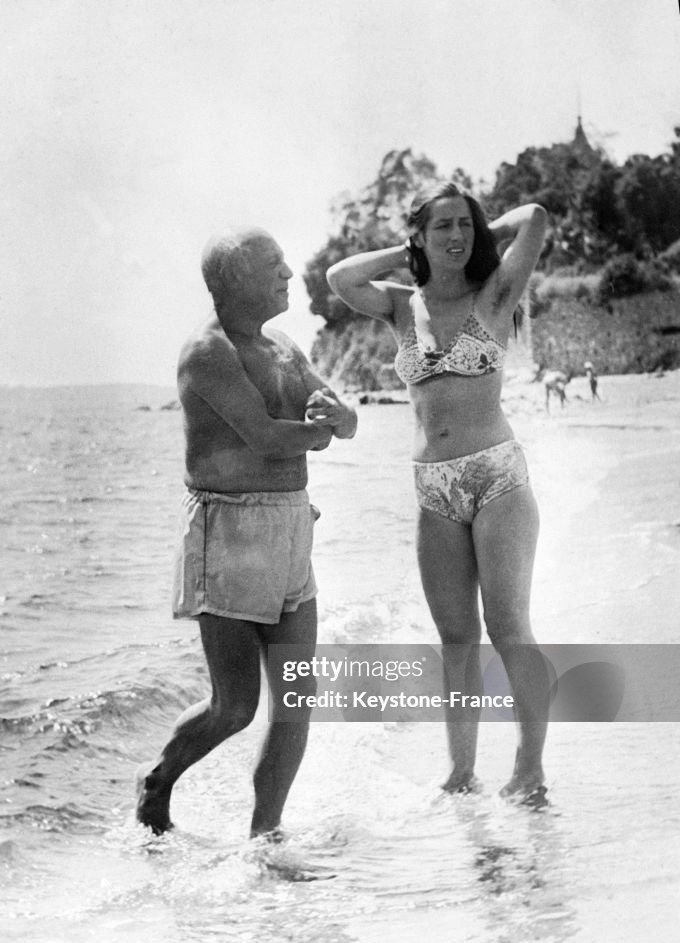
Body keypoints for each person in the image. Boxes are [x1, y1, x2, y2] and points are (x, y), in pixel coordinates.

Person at [326, 182, 550, 803]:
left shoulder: (497, 293)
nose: (457, 237)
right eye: (442, 227)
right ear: (420, 237)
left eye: (465, 226)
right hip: (434, 490)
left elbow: (534, 217)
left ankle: (529, 767)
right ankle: (461, 771)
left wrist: (483, 226)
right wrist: (406, 251)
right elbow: (340, 277)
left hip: (498, 476)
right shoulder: (403, 305)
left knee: (508, 630)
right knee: (456, 639)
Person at [136, 226, 357, 837]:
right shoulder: (208, 352)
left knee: (295, 698)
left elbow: (341, 414)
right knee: (234, 707)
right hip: (228, 530)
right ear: (234, 282)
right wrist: (323, 432)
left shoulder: (283, 345)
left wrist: (342, 416)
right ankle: (157, 779)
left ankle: (265, 836)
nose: (289, 272)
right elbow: (261, 435)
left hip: (291, 526)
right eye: (274, 264)